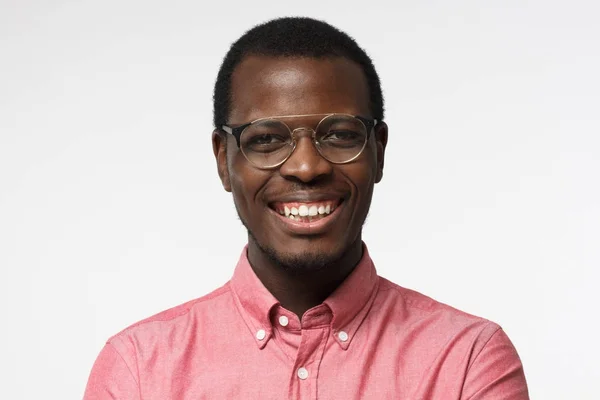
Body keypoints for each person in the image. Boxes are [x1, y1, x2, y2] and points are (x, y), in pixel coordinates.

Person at [84, 17, 529, 399]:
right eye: (266, 139)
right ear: (224, 161)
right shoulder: (137, 369)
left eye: (339, 134)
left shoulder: (468, 359)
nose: (305, 166)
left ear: (378, 151)